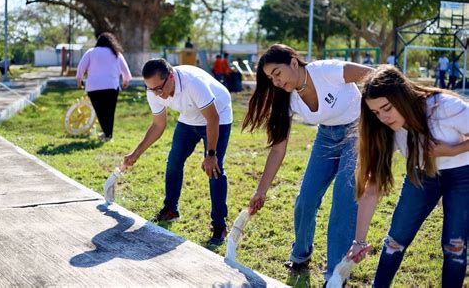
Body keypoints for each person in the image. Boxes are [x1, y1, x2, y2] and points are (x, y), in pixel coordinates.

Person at [243, 44, 373, 282]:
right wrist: (260, 190)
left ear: (294, 62)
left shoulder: (327, 71)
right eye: (271, 78)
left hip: (358, 133)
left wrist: (376, 112)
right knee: (305, 199)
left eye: (277, 73)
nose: (275, 82)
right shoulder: (287, 98)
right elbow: (278, 148)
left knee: (344, 202)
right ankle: (300, 255)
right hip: (326, 136)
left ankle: (335, 274)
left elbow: (374, 75)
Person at [347, 65, 468, 287]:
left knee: (454, 247)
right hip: (421, 175)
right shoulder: (385, 128)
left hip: (462, 175)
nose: (382, 117)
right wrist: (359, 242)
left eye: (386, 108)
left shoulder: (442, 107)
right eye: (375, 112)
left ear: (401, 97)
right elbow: (371, 187)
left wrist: (452, 150)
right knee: (395, 240)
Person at [123, 58, 233, 246]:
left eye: (159, 88)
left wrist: (211, 154)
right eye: (151, 89)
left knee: (214, 169)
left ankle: (219, 225)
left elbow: (212, 119)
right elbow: (158, 125)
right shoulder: (153, 91)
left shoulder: (193, 83)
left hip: (218, 116)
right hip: (189, 118)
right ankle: (171, 210)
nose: (156, 94)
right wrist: (136, 153)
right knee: (174, 161)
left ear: (171, 77)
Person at [76, 33, 131, 141]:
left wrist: (79, 81)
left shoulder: (91, 52)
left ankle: (106, 134)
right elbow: (126, 71)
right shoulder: (116, 53)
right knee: (110, 112)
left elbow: (81, 68)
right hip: (111, 87)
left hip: (94, 88)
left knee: (100, 111)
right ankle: (108, 134)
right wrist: (125, 81)